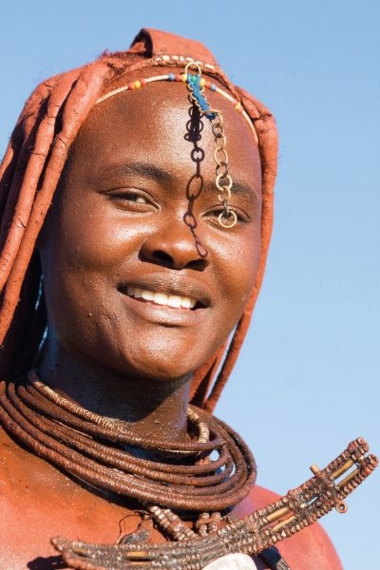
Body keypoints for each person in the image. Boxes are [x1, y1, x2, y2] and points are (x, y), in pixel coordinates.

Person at [0, 28, 376, 570]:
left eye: (226, 215)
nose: (182, 245)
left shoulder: (299, 545)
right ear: (41, 220)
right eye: (133, 197)